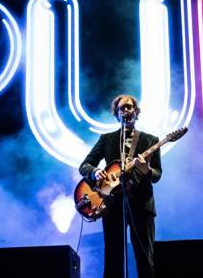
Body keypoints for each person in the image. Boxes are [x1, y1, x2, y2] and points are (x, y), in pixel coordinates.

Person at [79, 95, 162, 278]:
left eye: (129, 107)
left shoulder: (151, 140)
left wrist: (147, 170)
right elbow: (85, 165)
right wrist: (94, 172)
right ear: (117, 114)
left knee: (145, 259)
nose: (126, 111)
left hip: (142, 205)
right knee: (113, 258)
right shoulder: (107, 139)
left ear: (136, 112)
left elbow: (157, 174)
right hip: (112, 205)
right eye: (122, 108)